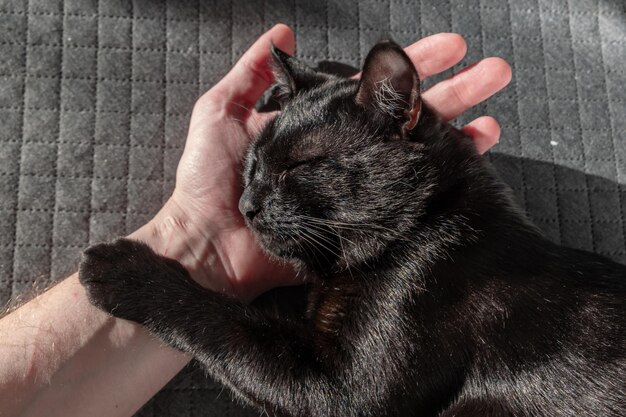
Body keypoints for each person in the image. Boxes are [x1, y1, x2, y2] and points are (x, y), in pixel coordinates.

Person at [0, 24, 512, 417]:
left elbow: (334, 394)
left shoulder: (463, 273)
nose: (250, 205)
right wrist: (194, 237)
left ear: (396, 126)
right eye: (255, 169)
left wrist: (174, 302)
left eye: (298, 171)